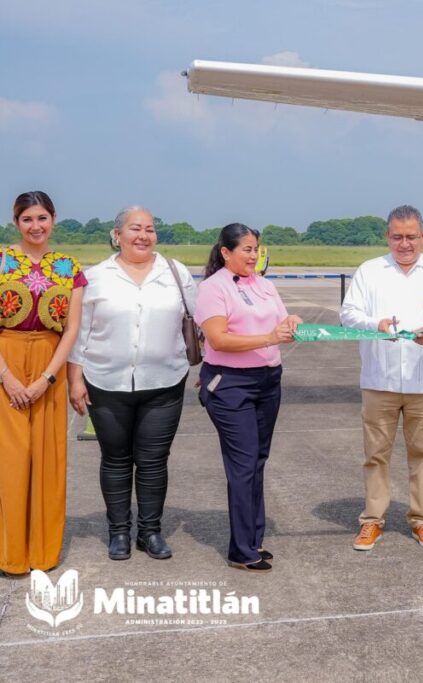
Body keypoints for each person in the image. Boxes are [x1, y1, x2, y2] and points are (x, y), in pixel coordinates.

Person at [68, 206, 196, 561]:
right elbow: (78, 333)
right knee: (115, 459)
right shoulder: (94, 277)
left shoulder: (175, 272)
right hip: (106, 382)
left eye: (150, 229)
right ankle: (119, 533)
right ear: (117, 234)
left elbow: (198, 320)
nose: (143, 236)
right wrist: (75, 378)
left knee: (155, 461)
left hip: (165, 381)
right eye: (135, 228)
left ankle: (150, 532)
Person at [340, 205, 423, 551]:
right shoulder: (370, 271)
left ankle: (421, 519)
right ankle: (372, 520)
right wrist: (375, 325)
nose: (404, 243)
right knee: (376, 454)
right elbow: (349, 314)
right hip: (378, 380)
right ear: (387, 236)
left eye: (411, 236)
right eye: (397, 236)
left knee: (422, 454)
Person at [195, 223, 302, 572]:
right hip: (231, 385)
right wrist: (270, 337)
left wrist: (293, 323)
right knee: (242, 467)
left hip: (268, 380)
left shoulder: (265, 285)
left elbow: (282, 321)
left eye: (256, 249)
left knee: (257, 460)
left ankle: (254, 538)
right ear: (226, 252)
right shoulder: (214, 288)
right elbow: (219, 339)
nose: (253, 255)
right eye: (246, 249)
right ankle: (241, 549)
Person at [0, 191, 86, 575]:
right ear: (16, 223)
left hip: (51, 365)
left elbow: (72, 329)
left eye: (42, 218)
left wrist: (50, 377)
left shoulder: (69, 266)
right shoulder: (2, 261)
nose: (36, 226)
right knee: (10, 461)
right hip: (6, 364)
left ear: (53, 219)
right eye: (27, 220)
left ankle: (43, 553)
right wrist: (8, 377)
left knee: (48, 461)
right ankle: (10, 554)